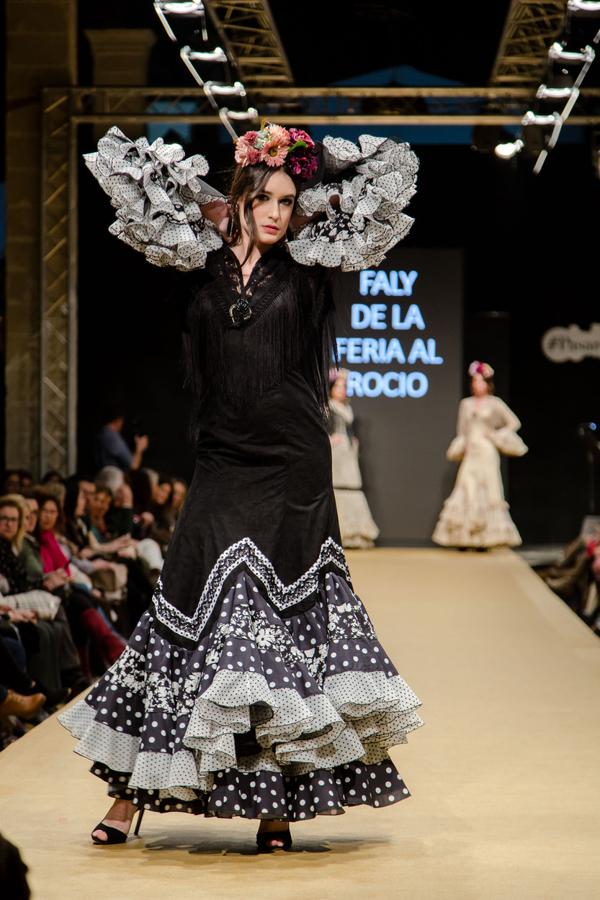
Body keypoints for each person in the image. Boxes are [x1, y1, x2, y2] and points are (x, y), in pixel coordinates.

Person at [60, 123, 423, 851]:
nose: (278, 212)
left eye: (289, 201)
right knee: (184, 612)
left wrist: (317, 161)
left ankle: (275, 806)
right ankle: (128, 798)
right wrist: (209, 195)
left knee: (281, 627)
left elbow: (382, 177)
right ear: (240, 198)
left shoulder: (311, 266)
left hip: (293, 468)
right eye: (265, 198)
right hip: (223, 461)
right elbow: (135, 178)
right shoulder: (197, 262)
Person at [432, 361, 527, 549]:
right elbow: (461, 430)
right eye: (474, 381)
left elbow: (514, 423)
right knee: (467, 489)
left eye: (481, 381)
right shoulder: (465, 404)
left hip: (487, 451)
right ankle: (464, 537)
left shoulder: (495, 403)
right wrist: (463, 443)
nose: (477, 385)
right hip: (471, 452)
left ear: (488, 383)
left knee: (487, 490)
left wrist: (494, 435)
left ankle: (485, 538)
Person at [328, 369, 380, 548]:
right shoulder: (328, 406)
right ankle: (338, 532)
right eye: (338, 386)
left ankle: (355, 534)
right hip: (336, 452)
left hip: (348, 452)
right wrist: (331, 438)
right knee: (337, 486)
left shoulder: (347, 408)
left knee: (352, 486)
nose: (342, 390)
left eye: (345, 387)